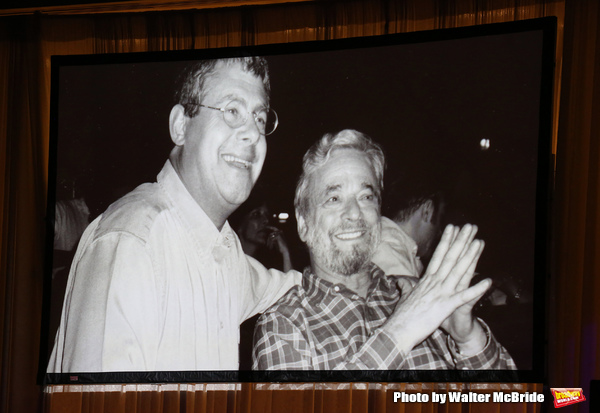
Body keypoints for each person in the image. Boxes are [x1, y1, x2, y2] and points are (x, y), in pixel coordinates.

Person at [48, 57, 303, 372]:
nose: (252, 132)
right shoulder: (132, 243)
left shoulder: (222, 249)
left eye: (260, 118)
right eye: (232, 111)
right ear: (181, 126)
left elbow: (289, 288)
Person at [253, 129, 516, 370]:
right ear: (304, 224)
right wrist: (402, 329)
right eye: (333, 198)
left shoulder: (417, 295)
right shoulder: (284, 323)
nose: (355, 213)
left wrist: (469, 339)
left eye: (366, 197)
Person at [372, 189, 445, 278]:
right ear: (427, 211)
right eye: (440, 219)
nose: (439, 232)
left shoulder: (391, 245)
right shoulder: (390, 252)